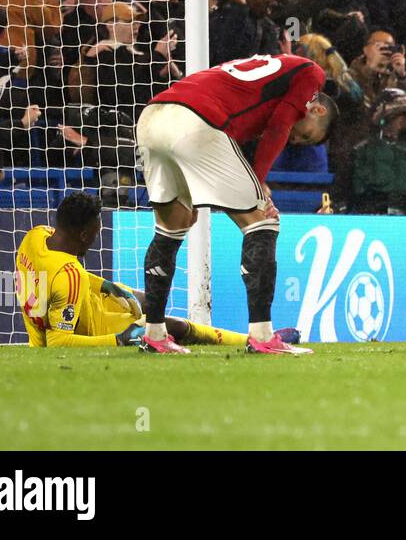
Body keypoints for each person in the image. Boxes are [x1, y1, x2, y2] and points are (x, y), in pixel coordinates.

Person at [134, 54, 335, 354]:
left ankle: (155, 334)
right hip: (196, 119)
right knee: (263, 221)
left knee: (171, 226)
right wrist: (260, 181)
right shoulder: (312, 74)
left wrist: (195, 199)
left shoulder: (258, 82)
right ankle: (263, 337)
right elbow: (281, 123)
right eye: (305, 134)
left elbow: (208, 157)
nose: (295, 138)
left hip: (153, 116)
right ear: (316, 108)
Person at [15, 192, 258, 348]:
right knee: (167, 325)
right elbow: (58, 342)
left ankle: (254, 339)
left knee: (149, 301)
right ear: (83, 235)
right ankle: (250, 340)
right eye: (95, 233)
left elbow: (57, 277)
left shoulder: (35, 236)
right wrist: (119, 340)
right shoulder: (70, 276)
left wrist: (106, 286)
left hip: (87, 300)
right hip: (94, 326)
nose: (95, 240)